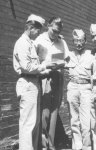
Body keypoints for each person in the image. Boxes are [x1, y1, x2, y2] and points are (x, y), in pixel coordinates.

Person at [13, 14, 52, 150]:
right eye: (37, 31)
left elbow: (33, 68)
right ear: (30, 27)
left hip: (33, 83)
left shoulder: (29, 43)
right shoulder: (22, 43)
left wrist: (43, 72)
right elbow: (27, 67)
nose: (38, 34)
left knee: (34, 122)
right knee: (27, 124)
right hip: (27, 83)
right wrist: (44, 67)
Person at [34, 17, 69, 150]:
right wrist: (45, 66)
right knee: (45, 113)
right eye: (54, 30)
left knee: (54, 112)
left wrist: (62, 63)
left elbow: (66, 59)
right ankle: (42, 146)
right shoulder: (39, 40)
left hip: (57, 78)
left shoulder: (61, 42)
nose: (55, 34)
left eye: (58, 31)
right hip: (44, 78)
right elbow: (33, 62)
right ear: (48, 26)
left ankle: (51, 145)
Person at [65, 29, 93, 150]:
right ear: (73, 42)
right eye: (76, 41)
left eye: (81, 40)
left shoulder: (91, 55)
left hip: (86, 88)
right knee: (74, 119)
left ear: (85, 41)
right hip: (72, 87)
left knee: (86, 122)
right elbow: (54, 58)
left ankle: (87, 146)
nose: (78, 43)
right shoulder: (68, 55)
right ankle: (76, 146)